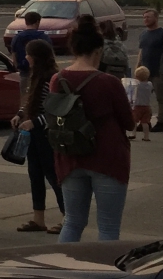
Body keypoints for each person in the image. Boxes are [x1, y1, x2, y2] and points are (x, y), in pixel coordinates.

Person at [54, 14, 134, 242]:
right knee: (108, 227)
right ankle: (104, 265)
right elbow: (129, 122)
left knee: (72, 222)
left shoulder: (58, 79)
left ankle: (64, 263)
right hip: (107, 157)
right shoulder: (109, 82)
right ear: (98, 50)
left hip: (70, 155)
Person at [14, 38, 64, 233]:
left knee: (53, 174)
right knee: (35, 174)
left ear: (36, 57)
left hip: (45, 133)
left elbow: (53, 110)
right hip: (33, 132)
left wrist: (34, 122)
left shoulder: (51, 78)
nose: (26, 57)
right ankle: (38, 219)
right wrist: (20, 114)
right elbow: (30, 101)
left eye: (28, 54)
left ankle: (67, 217)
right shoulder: (35, 76)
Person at [136, 7, 163, 134]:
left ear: (156, 18)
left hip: (159, 72)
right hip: (145, 73)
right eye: (144, 17)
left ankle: (161, 122)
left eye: (148, 17)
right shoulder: (143, 34)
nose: (145, 19)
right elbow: (141, 52)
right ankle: (145, 121)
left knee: (161, 97)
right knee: (143, 99)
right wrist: (138, 67)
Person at [9, 9, 50, 79]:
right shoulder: (43, 37)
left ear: (26, 22)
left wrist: (17, 68)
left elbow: (14, 54)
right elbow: (49, 54)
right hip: (40, 71)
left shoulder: (18, 37)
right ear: (37, 22)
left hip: (23, 70)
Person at [127, 66, 153, 140]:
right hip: (147, 106)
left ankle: (133, 133)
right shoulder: (150, 84)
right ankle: (146, 136)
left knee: (134, 121)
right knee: (145, 122)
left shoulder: (137, 86)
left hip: (137, 106)